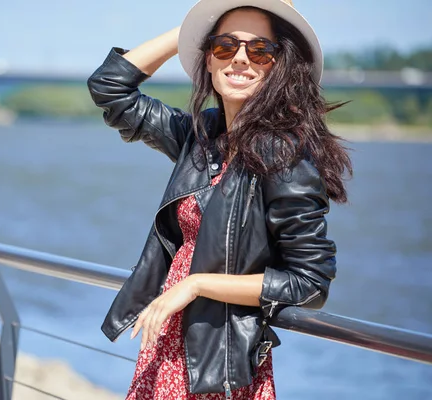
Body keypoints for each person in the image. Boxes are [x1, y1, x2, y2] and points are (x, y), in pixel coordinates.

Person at [87, 0, 352, 398]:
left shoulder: (283, 154)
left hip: (218, 361)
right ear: (208, 61)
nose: (241, 59)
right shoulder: (203, 135)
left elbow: (310, 282)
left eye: (260, 50)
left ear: (279, 66)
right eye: (225, 47)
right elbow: (110, 87)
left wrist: (196, 285)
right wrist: (191, 31)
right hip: (168, 348)